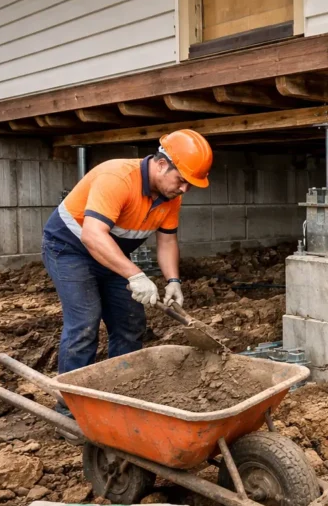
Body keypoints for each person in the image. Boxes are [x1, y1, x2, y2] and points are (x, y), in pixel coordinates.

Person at [41, 129, 213, 380]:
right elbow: (92, 235)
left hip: (111, 253)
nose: (185, 189)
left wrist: (173, 281)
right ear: (162, 164)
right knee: (85, 324)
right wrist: (136, 275)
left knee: (130, 322)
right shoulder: (117, 177)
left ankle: (123, 388)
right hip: (70, 249)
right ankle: (70, 405)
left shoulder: (170, 196)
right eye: (182, 180)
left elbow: (166, 241)